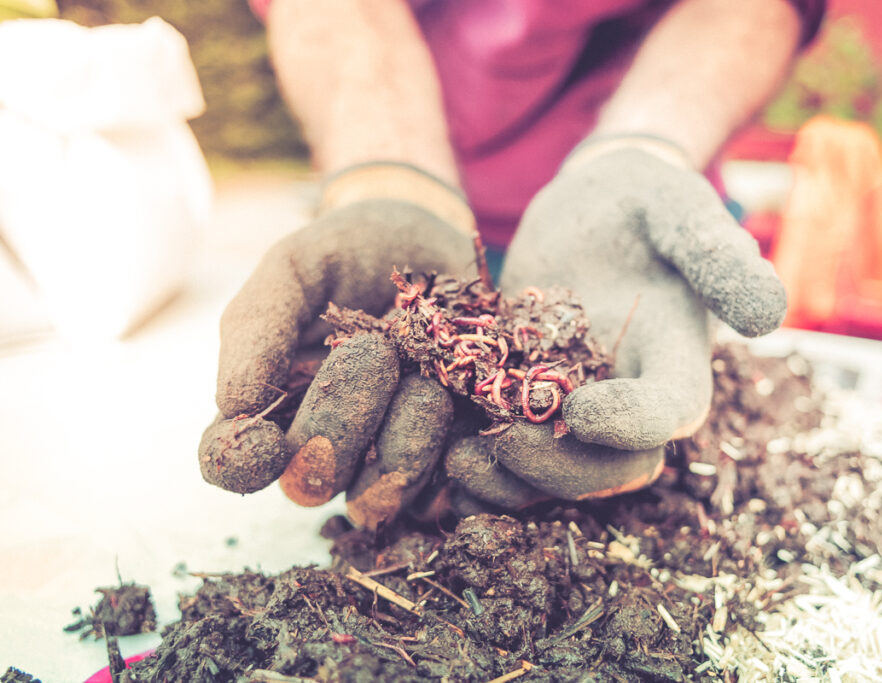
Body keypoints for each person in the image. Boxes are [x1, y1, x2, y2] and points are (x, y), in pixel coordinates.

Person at [201, 0, 824, 526]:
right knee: (410, 440)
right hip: (426, 201)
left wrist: (639, 147)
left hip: (620, 225)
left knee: (621, 421)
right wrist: (390, 176)